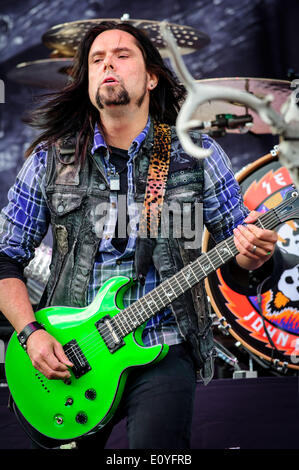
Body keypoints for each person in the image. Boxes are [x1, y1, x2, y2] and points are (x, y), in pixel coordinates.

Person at [0, 21, 278, 450]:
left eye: (122, 54)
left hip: (163, 346)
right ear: (88, 80)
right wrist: (29, 332)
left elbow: (239, 255)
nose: (108, 62)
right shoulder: (50, 160)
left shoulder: (194, 154)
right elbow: (4, 258)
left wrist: (252, 255)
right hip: (73, 354)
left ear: (151, 76)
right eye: (97, 59)